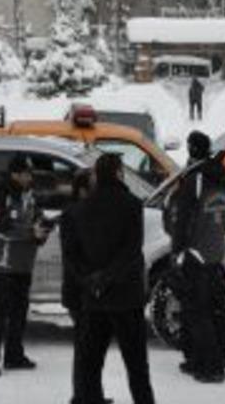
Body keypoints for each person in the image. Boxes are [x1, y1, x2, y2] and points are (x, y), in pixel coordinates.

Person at [67, 154, 155, 404]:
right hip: (127, 298)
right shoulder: (132, 204)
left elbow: (72, 256)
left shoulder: (80, 209)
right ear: (118, 173)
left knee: (90, 366)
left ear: (97, 174)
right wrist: (107, 277)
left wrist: (92, 280)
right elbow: (131, 250)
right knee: (137, 366)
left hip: (94, 299)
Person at [170, 131, 225, 383]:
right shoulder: (219, 175)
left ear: (191, 148)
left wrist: (178, 250)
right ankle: (214, 356)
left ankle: (210, 367)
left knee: (197, 311)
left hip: (196, 252)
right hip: (216, 249)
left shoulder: (194, 178)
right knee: (214, 307)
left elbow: (183, 218)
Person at [0, 154, 50, 377]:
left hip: (24, 263)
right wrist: (31, 232)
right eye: (26, 173)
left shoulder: (28, 193)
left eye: (31, 174)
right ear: (15, 173)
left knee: (20, 313)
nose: (30, 177)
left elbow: (36, 217)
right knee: (0, 314)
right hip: (4, 264)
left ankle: (14, 356)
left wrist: (43, 228)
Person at [60, 169, 109, 404]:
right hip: (79, 292)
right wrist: (90, 280)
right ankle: (81, 397)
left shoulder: (92, 212)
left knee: (94, 348)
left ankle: (93, 395)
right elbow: (73, 257)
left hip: (93, 290)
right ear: (82, 190)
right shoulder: (71, 215)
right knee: (84, 349)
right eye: (95, 186)